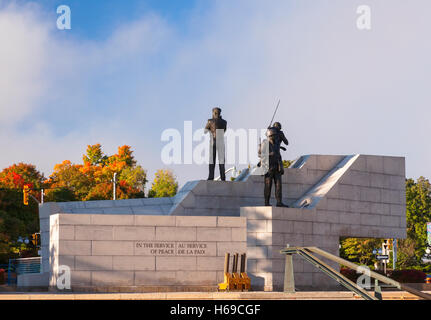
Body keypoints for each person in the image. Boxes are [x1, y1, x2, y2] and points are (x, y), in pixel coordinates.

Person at [258, 127, 288, 207]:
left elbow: (279, 150)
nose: (276, 137)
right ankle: (266, 202)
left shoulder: (277, 143)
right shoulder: (265, 143)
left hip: (277, 167)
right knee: (268, 186)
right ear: (270, 136)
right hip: (268, 168)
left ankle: (279, 202)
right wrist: (269, 154)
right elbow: (259, 154)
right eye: (274, 135)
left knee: (279, 185)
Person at [205, 107, 227, 181]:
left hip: (213, 142)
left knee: (212, 160)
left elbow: (205, 130)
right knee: (221, 161)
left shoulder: (210, 121)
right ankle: (223, 177)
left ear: (214, 113)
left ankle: (211, 177)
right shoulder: (224, 122)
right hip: (221, 142)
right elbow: (224, 131)